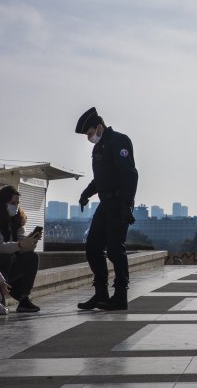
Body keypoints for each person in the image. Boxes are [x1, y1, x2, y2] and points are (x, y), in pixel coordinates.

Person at [75, 107, 138, 311]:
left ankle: (120, 295)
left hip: (119, 202)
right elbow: (100, 179)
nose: (89, 138)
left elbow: (129, 175)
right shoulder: (100, 147)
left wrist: (127, 205)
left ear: (100, 126)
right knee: (93, 247)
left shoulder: (119, 141)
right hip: (105, 203)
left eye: (90, 133)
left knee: (114, 249)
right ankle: (101, 293)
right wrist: (86, 194)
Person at [0, 186, 42, 312]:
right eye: (12, 203)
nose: (15, 206)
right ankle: (2, 294)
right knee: (4, 257)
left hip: (11, 269)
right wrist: (20, 244)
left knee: (32, 257)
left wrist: (31, 242)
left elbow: (21, 247)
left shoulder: (17, 220)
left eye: (17, 203)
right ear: (2, 202)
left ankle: (24, 298)